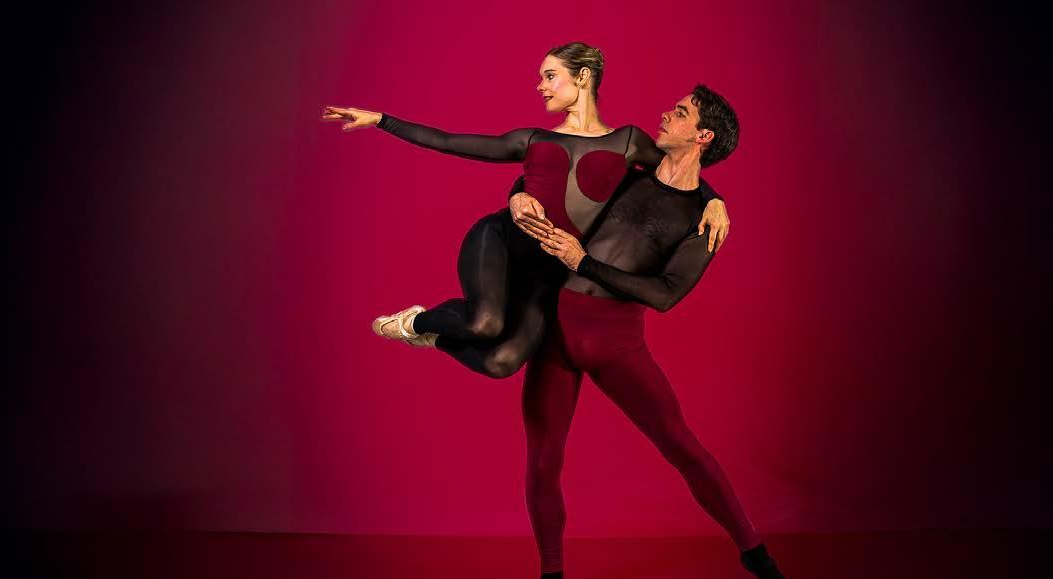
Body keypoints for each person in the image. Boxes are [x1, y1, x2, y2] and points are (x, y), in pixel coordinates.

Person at [322, 42, 731, 378]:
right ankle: (417, 321)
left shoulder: (629, 142)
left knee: (502, 363)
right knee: (484, 324)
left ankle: (438, 337)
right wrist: (381, 120)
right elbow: (447, 141)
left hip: (549, 271)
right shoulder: (532, 140)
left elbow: (680, 170)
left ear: (582, 77)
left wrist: (714, 200)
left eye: (550, 76)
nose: (541, 86)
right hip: (500, 241)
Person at [518, 86, 785, 579]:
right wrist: (518, 193)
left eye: (680, 112)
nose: (666, 113)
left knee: (680, 445)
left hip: (615, 343)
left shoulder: (703, 220)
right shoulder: (629, 168)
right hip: (556, 331)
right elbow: (550, 172)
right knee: (543, 460)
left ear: (703, 137)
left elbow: (665, 294)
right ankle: (551, 573)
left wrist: (583, 262)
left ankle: (757, 557)